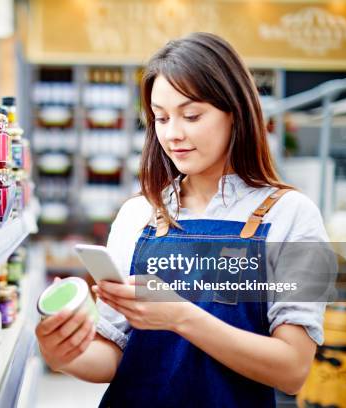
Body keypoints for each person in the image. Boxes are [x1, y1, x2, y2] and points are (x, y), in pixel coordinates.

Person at [35, 32, 328, 407]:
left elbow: (292, 369)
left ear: (235, 112)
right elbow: (114, 354)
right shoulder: (137, 214)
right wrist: (64, 352)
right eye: (160, 118)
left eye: (191, 115)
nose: (173, 134)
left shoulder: (292, 216)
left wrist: (179, 316)